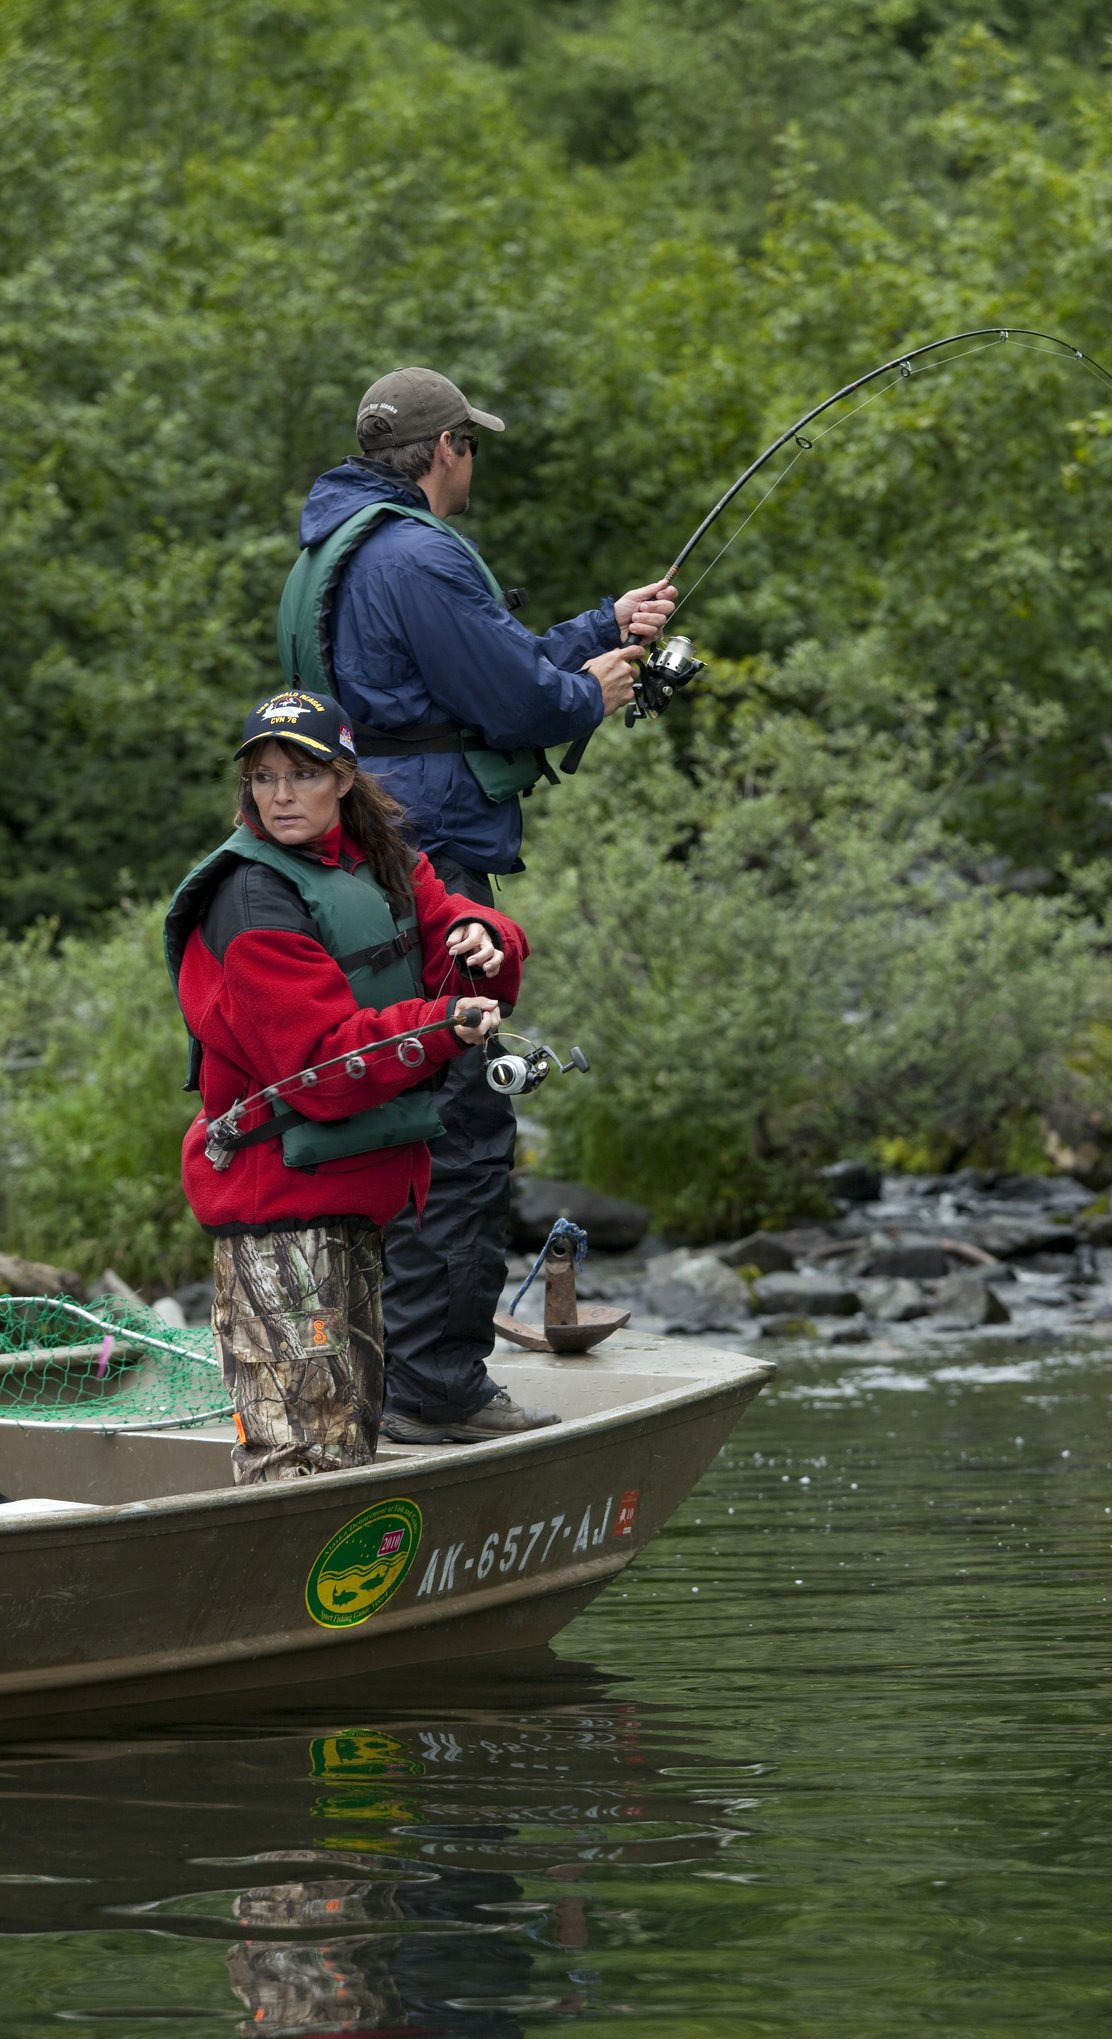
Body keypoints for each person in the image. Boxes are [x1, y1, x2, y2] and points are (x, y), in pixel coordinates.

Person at [278, 365, 676, 1446]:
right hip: (433, 859)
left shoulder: (336, 547)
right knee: (461, 1118)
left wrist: (602, 623)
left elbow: (465, 678)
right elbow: (514, 698)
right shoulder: (420, 554)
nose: (472, 462)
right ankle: (438, 1387)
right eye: (472, 444)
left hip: (370, 852)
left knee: (393, 1100)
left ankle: (378, 1370)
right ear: (446, 447)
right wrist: (589, 692)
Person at [164, 688, 533, 1483]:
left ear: (342, 778)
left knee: (347, 1443)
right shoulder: (251, 898)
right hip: (279, 1211)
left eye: (302, 774)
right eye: (264, 778)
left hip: (354, 1197)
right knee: (301, 1458)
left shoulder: (378, 856)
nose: (281, 795)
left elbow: (444, 916)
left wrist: (482, 933)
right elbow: (319, 1068)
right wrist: (441, 1024)